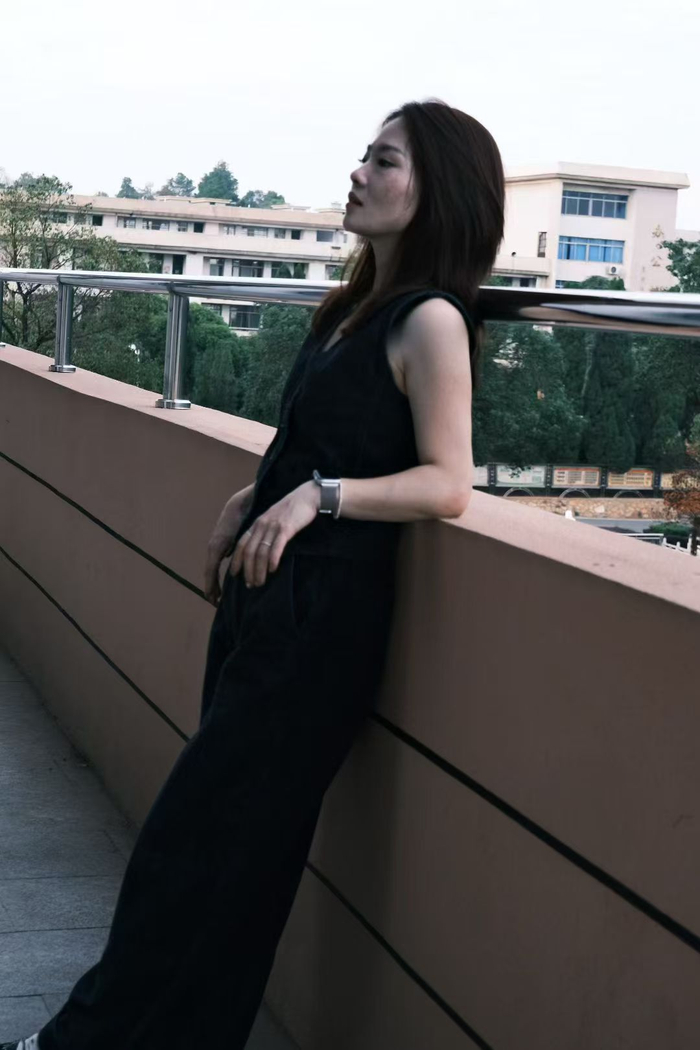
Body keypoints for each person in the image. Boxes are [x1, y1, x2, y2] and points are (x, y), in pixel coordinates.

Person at [2, 97, 504, 1050]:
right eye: (364, 154)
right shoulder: (351, 308)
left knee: (191, 848)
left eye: (385, 160)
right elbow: (328, 435)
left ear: (439, 191)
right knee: (232, 861)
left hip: (322, 623)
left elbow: (448, 483)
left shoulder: (431, 321)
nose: (358, 172)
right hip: (268, 603)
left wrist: (318, 497)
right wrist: (255, 494)